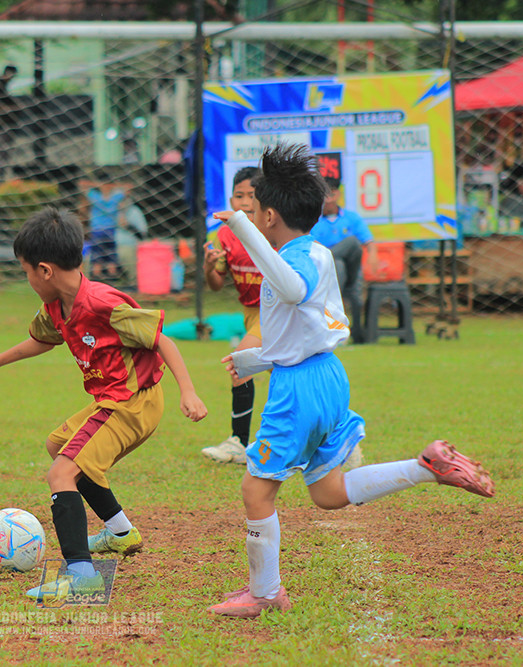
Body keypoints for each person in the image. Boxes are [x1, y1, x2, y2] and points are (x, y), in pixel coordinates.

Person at [206, 144, 494, 619]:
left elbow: (292, 291)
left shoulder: (291, 260)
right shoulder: (315, 250)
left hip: (298, 390)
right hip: (325, 376)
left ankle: (264, 594)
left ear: (270, 216)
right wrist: (256, 360)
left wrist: (239, 228)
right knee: (328, 493)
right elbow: (308, 330)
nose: (246, 215)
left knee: (256, 491)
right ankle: (426, 467)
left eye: (252, 209)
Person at [0, 206, 207, 605]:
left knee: (60, 473)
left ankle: (82, 576)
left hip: (133, 403)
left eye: (26, 271)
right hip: (112, 401)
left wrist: (189, 391)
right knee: (58, 446)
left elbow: (161, 339)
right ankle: (120, 531)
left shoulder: (101, 302)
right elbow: (43, 340)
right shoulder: (56, 306)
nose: (26, 280)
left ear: (44, 270)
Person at [199, 167, 263, 465]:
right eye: (240, 195)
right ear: (230, 200)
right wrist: (209, 266)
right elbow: (214, 285)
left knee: (241, 363)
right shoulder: (224, 235)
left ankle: (239, 442)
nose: (246, 202)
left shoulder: (272, 229)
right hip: (251, 314)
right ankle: (342, 439)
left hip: (278, 313)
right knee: (296, 380)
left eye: (252, 195)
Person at [310, 177, 376, 344]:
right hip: (323, 272)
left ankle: (352, 331)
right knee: (338, 264)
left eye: (331, 192)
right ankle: (345, 331)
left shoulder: (351, 217)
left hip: (351, 271)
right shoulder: (313, 220)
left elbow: (369, 242)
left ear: (337, 194)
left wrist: (373, 258)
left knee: (351, 247)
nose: (328, 197)